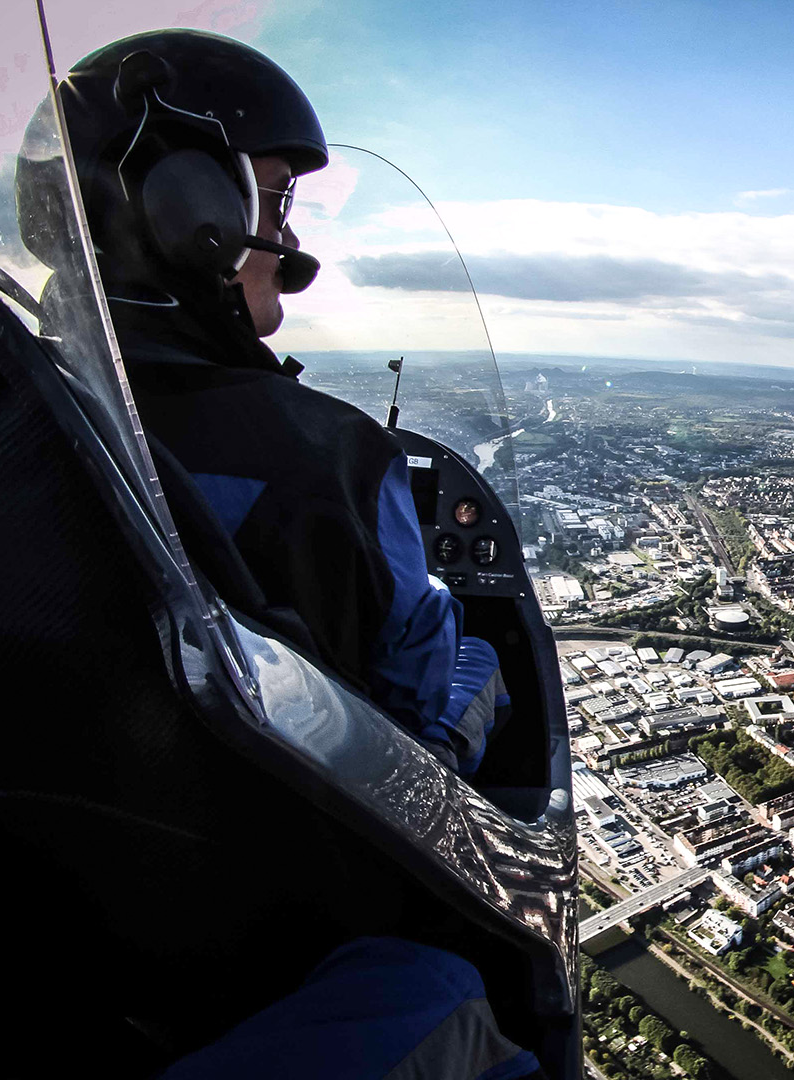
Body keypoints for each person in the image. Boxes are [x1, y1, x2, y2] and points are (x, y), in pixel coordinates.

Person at [38, 29, 507, 778]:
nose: (287, 235)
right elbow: (415, 732)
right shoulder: (337, 465)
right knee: (480, 656)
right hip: (277, 862)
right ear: (195, 214)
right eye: (279, 198)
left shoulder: (0, 410)